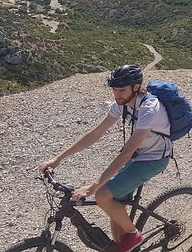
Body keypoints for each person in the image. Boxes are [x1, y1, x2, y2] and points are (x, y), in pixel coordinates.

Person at [39, 65, 172, 252]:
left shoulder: (150, 108)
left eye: (122, 90)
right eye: (114, 90)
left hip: (153, 159)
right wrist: (58, 159)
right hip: (137, 155)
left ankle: (134, 235)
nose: (117, 95)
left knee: (103, 195)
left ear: (136, 87)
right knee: (114, 202)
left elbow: (126, 152)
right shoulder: (121, 104)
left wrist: (94, 186)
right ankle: (125, 242)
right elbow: (95, 134)